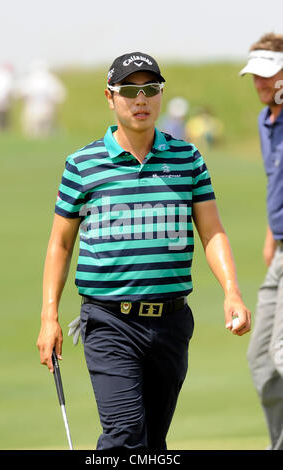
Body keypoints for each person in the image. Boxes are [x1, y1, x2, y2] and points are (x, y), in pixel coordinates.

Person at [37, 52, 251, 451]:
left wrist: (232, 291)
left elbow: (212, 232)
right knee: (124, 437)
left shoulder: (187, 159)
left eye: (150, 89)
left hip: (170, 323)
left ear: (161, 94)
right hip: (108, 322)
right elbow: (60, 243)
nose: (141, 99)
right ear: (110, 96)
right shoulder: (82, 165)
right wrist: (49, 316)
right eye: (130, 90)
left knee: (153, 443)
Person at [239, 33, 283, 450]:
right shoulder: (265, 120)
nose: (261, 84)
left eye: (269, 76)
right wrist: (272, 235)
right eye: (255, 76)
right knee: (262, 362)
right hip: (280, 255)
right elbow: (277, 181)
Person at [17, 60, 66, 138]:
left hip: (34, 108)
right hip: (44, 107)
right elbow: (59, 95)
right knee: (44, 131)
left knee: (32, 131)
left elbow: (21, 93)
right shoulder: (50, 79)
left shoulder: (30, 79)